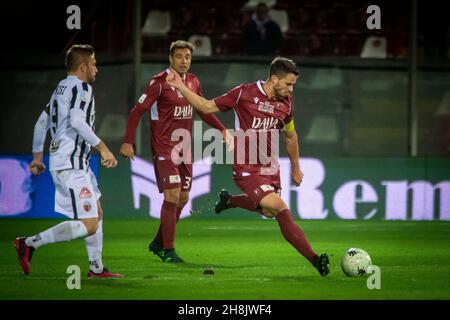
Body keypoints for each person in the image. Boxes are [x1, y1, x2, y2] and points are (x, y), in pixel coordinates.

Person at [166, 57, 330, 276]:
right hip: (247, 168)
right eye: (288, 84)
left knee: (268, 212)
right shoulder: (244, 93)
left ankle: (230, 200)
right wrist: (180, 86)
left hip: (271, 169)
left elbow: (290, 136)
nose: (291, 89)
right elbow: (205, 106)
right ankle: (315, 259)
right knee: (280, 209)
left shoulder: (286, 102)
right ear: (274, 79)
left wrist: (296, 168)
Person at [14, 44, 123, 278]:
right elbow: (77, 121)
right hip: (71, 164)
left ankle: (96, 268)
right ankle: (30, 243)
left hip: (74, 162)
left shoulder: (59, 89)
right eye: (94, 63)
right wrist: (103, 148)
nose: (97, 69)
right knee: (89, 223)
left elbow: (41, 124)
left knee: (97, 212)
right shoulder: (82, 88)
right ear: (83, 66)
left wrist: (37, 157)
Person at [120, 40, 229, 263]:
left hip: (184, 148)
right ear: (171, 58)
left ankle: (158, 242)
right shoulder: (158, 83)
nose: (184, 61)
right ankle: (168, 251)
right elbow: (136, 111)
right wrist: (128, 142)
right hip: (163, 147)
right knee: (172, 194)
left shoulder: (193, 81)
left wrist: (221, 128)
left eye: (187, 57)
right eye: (179, 56)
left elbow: (202, 109)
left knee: (183, 198)